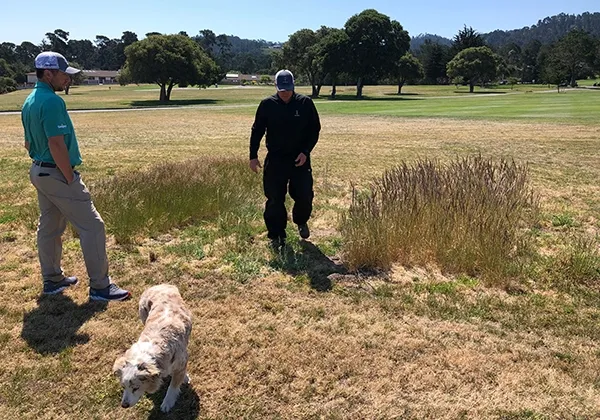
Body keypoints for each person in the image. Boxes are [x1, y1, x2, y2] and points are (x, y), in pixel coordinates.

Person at [21, 51, 130, 301]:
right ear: (48, 73)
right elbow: (56, 144)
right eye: (63, 74)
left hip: (39, 171)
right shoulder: (52, 102)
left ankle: (52, 279)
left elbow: (28, 143)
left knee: (50, 226)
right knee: (93, 226)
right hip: (57, 172)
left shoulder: (30, 100)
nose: (68, 79)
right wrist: (69, 177)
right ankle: (101, 287)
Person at [249, 69, 321, 250]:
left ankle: (301, 221)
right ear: (276, 87)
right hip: (276, 159)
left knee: (305, 196)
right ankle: (276, 234)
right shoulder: (267, 105)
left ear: (293, 86)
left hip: (300, 159)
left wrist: (306, 151)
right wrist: (253, 156)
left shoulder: (305, 103)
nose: (285, 93)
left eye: (288, 89)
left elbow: (314, 130)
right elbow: (257, 130)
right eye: (282, 90)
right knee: (274, 199)